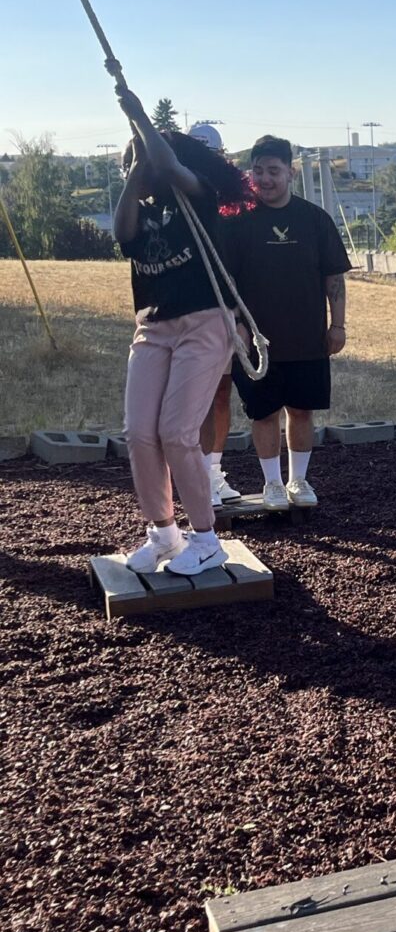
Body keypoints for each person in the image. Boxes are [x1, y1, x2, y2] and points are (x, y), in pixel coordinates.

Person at [113, 87, 247, 575]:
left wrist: (140, 118)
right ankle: (164, 533)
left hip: (204, 321)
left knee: (176, 432)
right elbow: (122, 233)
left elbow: (170, 167)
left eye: (139, 162)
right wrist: (134, 173)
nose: (134, 169)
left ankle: (207, 539)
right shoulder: (141, 211)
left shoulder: (198, 195)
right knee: (139, 433)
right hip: (153, 326)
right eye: (128, 164)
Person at [206, 135, 351, 510]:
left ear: (291, 172)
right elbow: (225, 280)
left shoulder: (315, 220)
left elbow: (334, 277)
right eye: (258, 171)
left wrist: (338, 326)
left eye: (273, 170)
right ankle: (271, 484)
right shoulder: (236, 222)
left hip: (307, 337)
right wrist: (237, 324)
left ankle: (298, 481)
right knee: (264, 412)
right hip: (256, 341)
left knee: (301, 411)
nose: (265, 179)